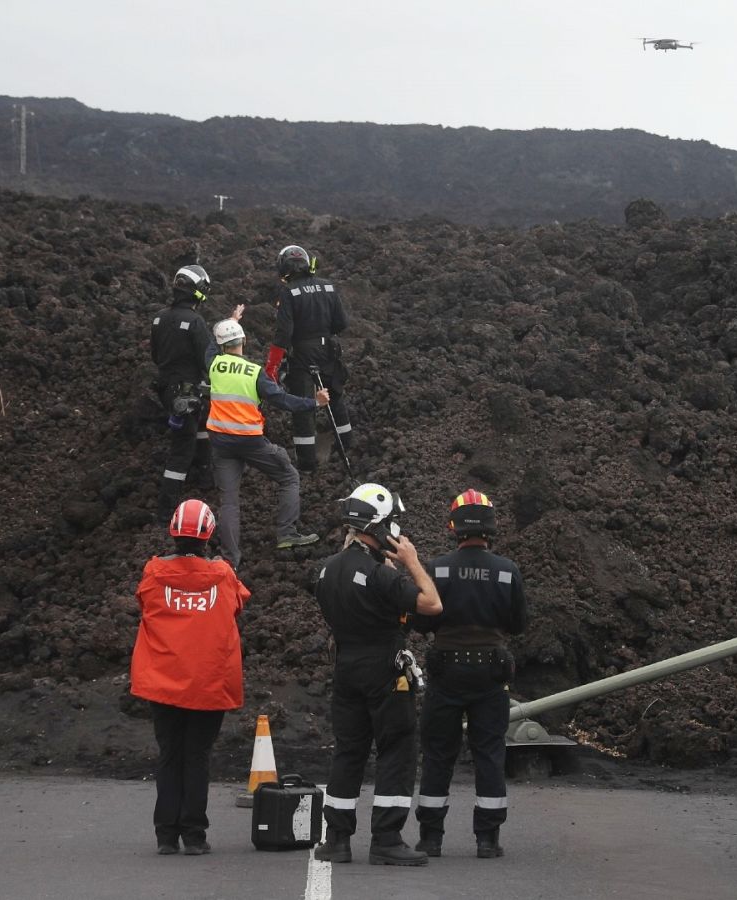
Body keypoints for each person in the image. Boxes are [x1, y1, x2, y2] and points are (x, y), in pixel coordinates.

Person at [312, 483, 444, 866]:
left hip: (346, 667)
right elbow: (432, 604)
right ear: (380, 525)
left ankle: (337, 839)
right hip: (384, 668)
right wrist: (411, 562)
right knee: (396, 748)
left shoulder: (326, 570)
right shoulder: (380, 575)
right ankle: (387, 838)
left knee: (348, 750)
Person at [130, 499, 250, 856]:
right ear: (209, 533)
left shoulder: (154, 573)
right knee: (197, 755)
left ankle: (166, 836)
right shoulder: (223, 575)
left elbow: (144, 604)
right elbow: (238, 603)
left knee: (170, 753)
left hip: (164, 681)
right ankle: (194, 835)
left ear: (173, 531)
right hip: (208, 682)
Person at [412, 490, 527, 860]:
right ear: (491, 526)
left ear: (453, 526)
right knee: (489, 753)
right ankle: (488, 840)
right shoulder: (507, 571)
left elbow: (420, 621)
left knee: (438, 753)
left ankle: (431, 838)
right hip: (491, 673)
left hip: (446, 672)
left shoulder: (437, 568)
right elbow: (518, 624)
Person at [206, 317, 327, 568]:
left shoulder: (214, 364)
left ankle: (230, 560)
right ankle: (287, 533)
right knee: (289, 477)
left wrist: (231, 319)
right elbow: (283, 401)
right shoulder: (254, 373)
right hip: (251, 443)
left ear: (221, 345)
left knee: (229, 502)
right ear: (244, 340)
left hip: (221, 443)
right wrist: (315, 402)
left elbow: (209, 347)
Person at [263, 245, 351, 473]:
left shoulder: (289, 293)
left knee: (304, 407)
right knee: (335, 398)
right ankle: (348, 449)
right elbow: (341, 323)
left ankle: (307, 465)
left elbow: (283, 335)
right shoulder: (328, 286)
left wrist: (272, 366)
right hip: (328, 351)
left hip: (302, 355)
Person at [150, 265, 219, 518]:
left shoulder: (159, 318)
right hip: (186, 391)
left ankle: (205, 477)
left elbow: (155, 355)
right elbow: (208, 360)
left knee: (200, 425)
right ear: (199, 292)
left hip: (167, 388)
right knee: (182, 448)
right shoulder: (195, 321)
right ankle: (166, 510)